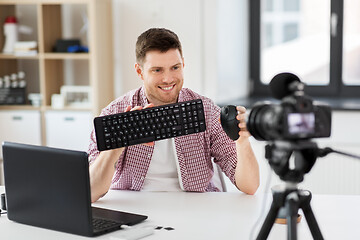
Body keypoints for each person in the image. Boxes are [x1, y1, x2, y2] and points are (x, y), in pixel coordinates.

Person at [88, 28, 259, 202]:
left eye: (175, 67)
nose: (168, 79)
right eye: (157, 70)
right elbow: (90, 192)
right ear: (140, 72)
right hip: (134, 206)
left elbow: (249, 186)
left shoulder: (207, 110)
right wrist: (116, 147)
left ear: (183, 64)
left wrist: (242, 141)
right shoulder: (115, 112)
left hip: (196, 208)